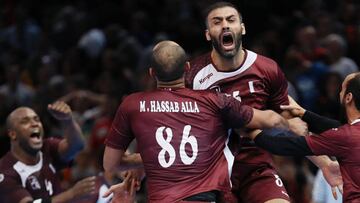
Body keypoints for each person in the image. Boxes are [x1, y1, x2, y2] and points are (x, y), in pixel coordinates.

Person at [185, 2, 341, 202]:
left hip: (256, 167)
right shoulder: (193, 76)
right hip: (212, 172)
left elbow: (293, 123)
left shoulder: (266, 69)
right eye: (217, 22)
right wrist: (141, 167)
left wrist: (324, 163)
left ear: (242, 28)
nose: (225, 25)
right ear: (208, 34)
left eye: (231, 20)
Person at [103, 40, 290, 202]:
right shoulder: (214, 100)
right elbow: (271, 120)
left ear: (152, 73)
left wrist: (141, 161)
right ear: (187, 68)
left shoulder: (133, 104)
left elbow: (110, 165)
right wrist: (291, 123)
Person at [251, 72, 360, 202]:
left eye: (342, 89)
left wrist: (248, 127)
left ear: (348, 97)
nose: (339, 93)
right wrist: (303, 113)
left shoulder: (344, 136)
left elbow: (281, 146)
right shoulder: (347, 133)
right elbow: (337, 128)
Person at [0, 101, 96, 203]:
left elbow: (77, 146)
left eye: (37, 119)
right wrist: (71, 194)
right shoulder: (4, 171)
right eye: (25, 121)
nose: (34, 123)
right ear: (13, 134)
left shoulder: (47, 148)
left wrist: (68, 121)